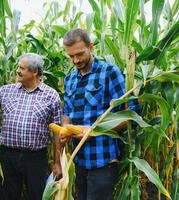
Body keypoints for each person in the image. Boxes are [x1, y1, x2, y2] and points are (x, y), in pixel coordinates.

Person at [0, 53, 62, 200]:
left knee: (37, 195)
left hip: (35, 158)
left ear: (34, 72)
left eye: (22, 68)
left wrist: (58, 163)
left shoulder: (51, 96)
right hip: (8, 156)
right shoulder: (8, 90)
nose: (17, 71)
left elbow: (58, 132)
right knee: (8, 195)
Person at [61, 28, 137, 200]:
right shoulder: (70, 79)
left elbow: (130, 113)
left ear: (91, 47)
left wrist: (94, 130)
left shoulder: (109, 72)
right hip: (78, 160)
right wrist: (65, 128)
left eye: (80, 54)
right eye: (71, 56)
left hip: (102, 160)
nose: (76, 60)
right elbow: (67, 111)